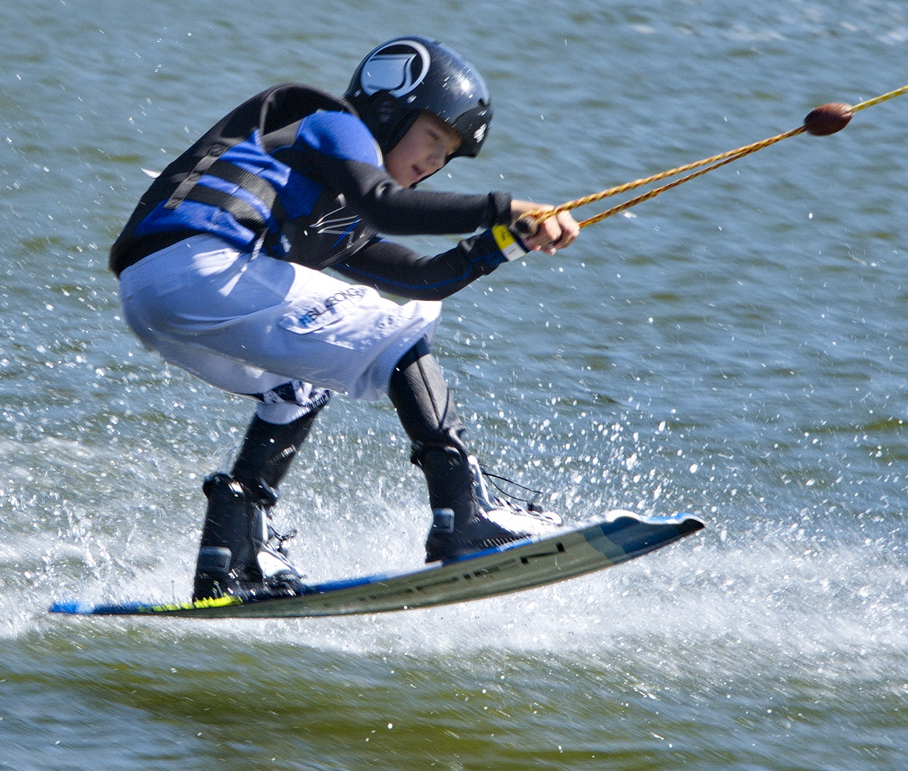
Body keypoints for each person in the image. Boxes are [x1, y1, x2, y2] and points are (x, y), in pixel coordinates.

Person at [107, 37, 580, 602]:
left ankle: (233, 550)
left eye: (448, 155)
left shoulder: (337, 211)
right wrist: (503, 207)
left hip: (153, 296)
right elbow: (385, 207)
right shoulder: (335, 124)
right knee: (396, 328)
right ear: (390, 109)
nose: (436, 161)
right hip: (199, 265)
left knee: (301, 382)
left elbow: (420, 276)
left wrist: (504, 243)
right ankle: (465, 512)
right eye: (433, 137)